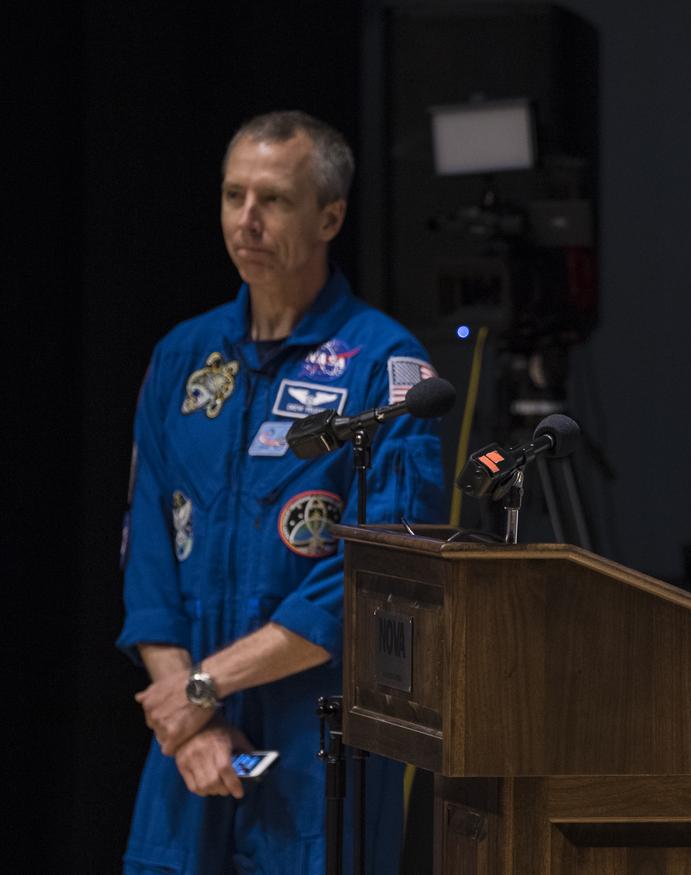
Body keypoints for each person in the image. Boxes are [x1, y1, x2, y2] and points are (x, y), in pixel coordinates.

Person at [117, 111, 445, 874]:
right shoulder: (183, 356)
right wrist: (190, 718)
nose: (247, 220)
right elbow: (149, 555)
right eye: (234, 196)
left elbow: (377, 575)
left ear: (330, 215)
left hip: (313, 756)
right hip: (189, 758)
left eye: (274, 199)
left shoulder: (386, 367)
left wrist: (206, 685)